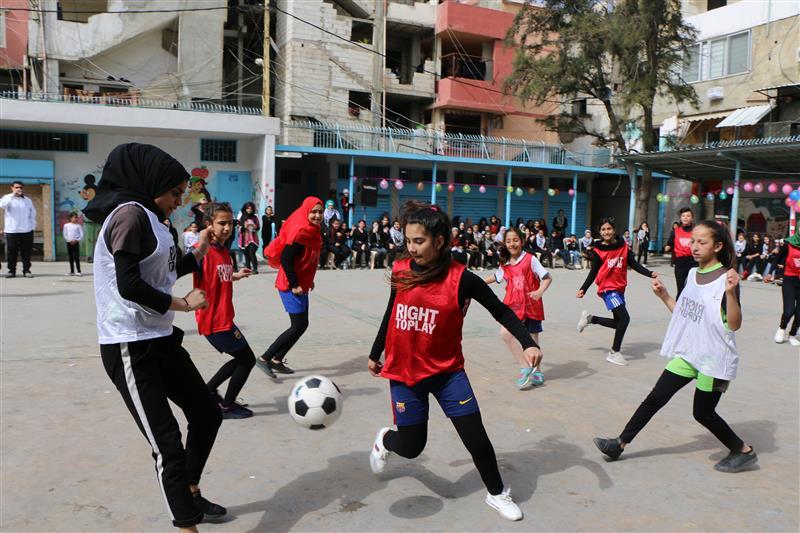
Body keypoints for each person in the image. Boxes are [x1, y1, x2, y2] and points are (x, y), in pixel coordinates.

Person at [367, 201, 542, 521]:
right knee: (411, 446)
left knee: (475, 434)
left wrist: (528, 342)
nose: (412, 248)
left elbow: (501, 310)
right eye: (408, 241)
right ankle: (386, 440)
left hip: (447, 372)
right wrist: (375, 351)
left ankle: (497, 493)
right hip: (405, 371)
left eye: (418, 241)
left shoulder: (462, 279)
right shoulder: (401, 269)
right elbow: (391, 311)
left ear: (440, 241)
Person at [84, 143, 225, 530]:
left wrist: (200, 249)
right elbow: (129, 285)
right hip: (129, 345)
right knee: (167, 444)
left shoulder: (154, 218)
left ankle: (190, 491)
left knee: (207, 413)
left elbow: (165, 268)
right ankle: (186, 524)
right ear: (152, 184)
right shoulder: (129, 216)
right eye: (176, 193)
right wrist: (181, 304)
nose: (179, 201)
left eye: (184, 194)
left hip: (158, 338)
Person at [593, 221, 757, 474]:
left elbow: (734, 325)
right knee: (655, 397)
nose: (695, 246)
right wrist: (664, 296)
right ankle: (619, 443)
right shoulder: (692, 274)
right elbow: (684, 313)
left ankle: (743, 450)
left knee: (702, 413)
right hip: (690, 353)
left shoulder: (727, 278)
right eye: (693, 241)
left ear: (718, 246)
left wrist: (732, 294)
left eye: (702, 242)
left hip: (714, 359)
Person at [194, 202, 261, 419]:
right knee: (247, 359)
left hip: (225, 318)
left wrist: (236, 275)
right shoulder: (202, 251)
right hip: (214, 320)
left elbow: (219, 275)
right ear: (208, 225)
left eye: (230, 223)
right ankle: (225, 406)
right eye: (221, 223)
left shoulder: (223, 250)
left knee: (242, 359)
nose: (227, 228)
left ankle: (208, 392)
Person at [576, 217, 656, 366]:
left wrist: (649, 273)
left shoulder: (623, 247)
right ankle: (614, 352)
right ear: (600, 232)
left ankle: (590, 319)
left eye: (609, 229)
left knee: (618, 323)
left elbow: (634, 264)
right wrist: (583, 288)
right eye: (603, 229)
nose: (606, 232)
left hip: (619, 289)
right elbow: (593, 272)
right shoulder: (598, 251)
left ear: (614, 230)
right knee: (625, 319)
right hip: (608, 289)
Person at [257, 197, 324, 376]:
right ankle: (265, 358)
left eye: (320, 212)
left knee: (302, 325)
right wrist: (295, 284)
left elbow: (307, 259)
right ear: (305, 212)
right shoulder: (301, 232)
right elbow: (286, 259)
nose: (317, 215)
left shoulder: (314, 231)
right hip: (289, 285)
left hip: (302, 284)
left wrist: (309, 279)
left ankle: (277, 360)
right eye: (313, 212)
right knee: (297, 326)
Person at [485, 226, 552, 389]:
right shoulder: (505, 264)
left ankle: (537, 370)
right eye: (508, 241)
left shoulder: (530, 259)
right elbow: (495, 277)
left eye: (515, 240)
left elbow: (547, 277)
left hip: (531, 306)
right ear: (505, 244)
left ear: (521, 241)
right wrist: (474, 283)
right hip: (513, 306)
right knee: (505, 333)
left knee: (533, 341)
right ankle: (525, 366)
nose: (512, 243)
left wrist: (539, 291)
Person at [1, 181, 37, 278]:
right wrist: (13, 195)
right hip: (12, 230)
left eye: (20, 187)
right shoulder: (7, 198)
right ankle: (11, 271)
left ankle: (26, 270)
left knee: (26, 252)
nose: (19, 189)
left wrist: (32, 226)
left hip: (26, 230)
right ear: (12, 188)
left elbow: (32, 213)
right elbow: (3, 206)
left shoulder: (27, 200)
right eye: (16, 187)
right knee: (12, 252)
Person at [774, 232, 800, 346]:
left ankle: (792, 335)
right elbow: (778, 259)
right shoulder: (788, 244)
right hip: (790, 279)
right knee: (789, 310)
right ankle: (781, 328)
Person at [664, 208, 697, 295]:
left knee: (693, 289)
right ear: (680, 218)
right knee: (681, 289)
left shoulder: (697, 231)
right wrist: (667, 247)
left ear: (692, 218)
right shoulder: (675, 232)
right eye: (683, 216)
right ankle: (678, 307)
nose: (685, 218)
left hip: (694, 262)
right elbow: (670, 244)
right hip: (680, 263)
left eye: (688, 216)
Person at [238, 202, 260, 274]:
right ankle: (248, 268)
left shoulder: (255, 217)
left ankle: (255, 269)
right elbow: (239, 228)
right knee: (246, 253)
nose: (249, 210)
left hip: (253, 239)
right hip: (244, 238)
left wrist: (254, 226)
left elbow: (258, 227)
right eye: (248, 208)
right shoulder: (242, 217)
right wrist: (244, 226)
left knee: (252, 253)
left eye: (251, 208)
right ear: (245, 209)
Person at [63, 211, 84, 276]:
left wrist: (76, 240)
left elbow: (81, 235)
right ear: (70, 218)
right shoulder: (66, 225)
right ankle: (72, 271)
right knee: (70, 257)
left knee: (76, 257)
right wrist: (69, 240)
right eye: (74, 217)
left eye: (76, 218)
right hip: (69, 243)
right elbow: (65, 234)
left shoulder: (78, 226)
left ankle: (79, 271)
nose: (76, 219)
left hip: (76, 243)